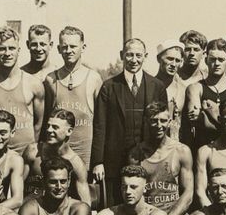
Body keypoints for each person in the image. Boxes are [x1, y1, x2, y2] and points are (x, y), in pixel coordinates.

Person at [92, 38, 168, 205]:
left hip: (147, 158)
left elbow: (163, 125)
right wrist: (98, 162)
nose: (134, 60)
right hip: (114, 161)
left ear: (145, 56)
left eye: (138, 55)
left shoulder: (157, 86)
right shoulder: (109, 86)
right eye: (129, 55)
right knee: (115, 208)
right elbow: (100, 126)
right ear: (122, 56)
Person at [127, 101, 195, 215]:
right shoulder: (136, 154)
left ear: (170, 122)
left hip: (174, 214)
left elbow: (188, 194)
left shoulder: (181, 151)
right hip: (148, 214)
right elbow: (134, 191)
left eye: (163, 121)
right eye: (154, 121)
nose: (159, 125)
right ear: (146, 122)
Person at [0, 26, 43, 151]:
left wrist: (31, 151)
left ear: (19, 50)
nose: (7, 53)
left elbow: (38, 125)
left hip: (25, 157)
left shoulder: (34, 84)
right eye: (2, 49)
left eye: (11, 48)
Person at [43, 25, 102, 169]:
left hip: (85, 154)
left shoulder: (94, 78)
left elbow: (101, 123)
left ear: (83, 47)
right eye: (65, 47)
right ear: (58, 49)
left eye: (73, 46)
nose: (69, 51)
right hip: (57, 153)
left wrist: (98, 161)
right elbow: (45, 118)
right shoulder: (51, 79)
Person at [23, 109, 93, 205]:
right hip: (31, 208)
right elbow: (18, 187)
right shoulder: (33, 151)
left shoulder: (76, 164)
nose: (49, 130)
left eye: (55, 127)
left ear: (69, 131)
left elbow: (86, 203)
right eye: (48, 126)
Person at [182, 38, 226, 153]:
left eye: (221, 60)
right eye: (213, 59)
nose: (216, 63)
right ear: (206, 60)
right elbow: (199, 122)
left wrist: (210, 111)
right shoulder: (195, 88)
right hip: (202, 150)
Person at [154, 39, 187, 141]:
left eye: (177, 60)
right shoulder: (150, 86)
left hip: (177, 145)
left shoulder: (183, 89)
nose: (173, 64)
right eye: (169, 59)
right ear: (159, 59)